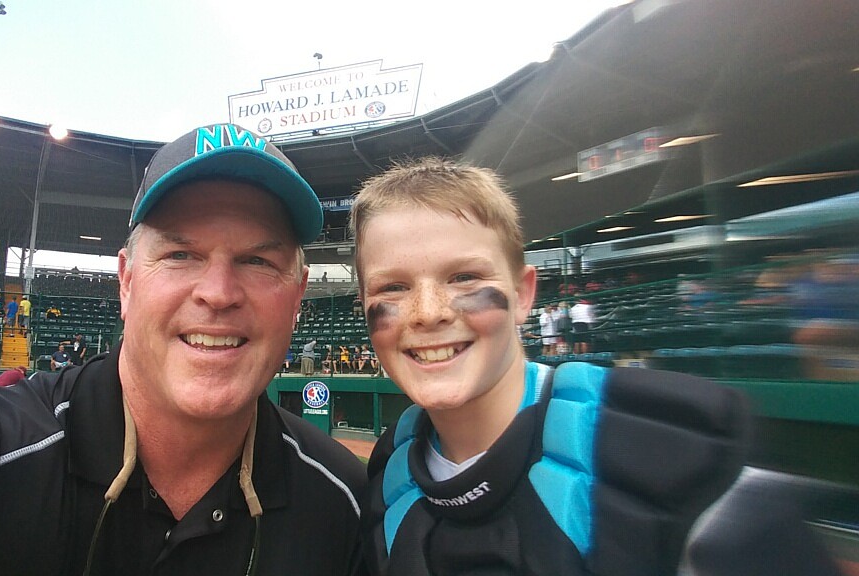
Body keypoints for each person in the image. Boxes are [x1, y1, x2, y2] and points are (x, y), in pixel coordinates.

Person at [0, 123, 365, 575]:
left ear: (298, 294)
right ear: (126, 281)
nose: (219, 293)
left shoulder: (351, 504)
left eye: (258, 261)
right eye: (180, 254)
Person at [349, 157, 839, 576]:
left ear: (523, 294)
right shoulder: (388, 479)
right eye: (393, 288)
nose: (428, 311)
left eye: (464, 277)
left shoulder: (670, 454)